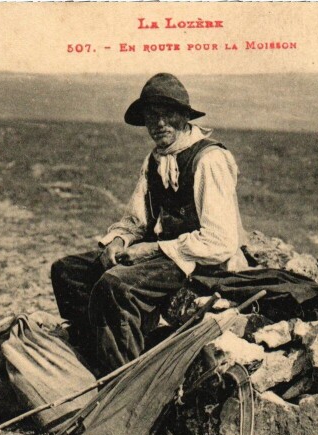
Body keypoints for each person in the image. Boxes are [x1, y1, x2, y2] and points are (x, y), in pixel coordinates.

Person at [51, 73, 248, 376]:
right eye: (151, 117)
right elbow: (136, 220)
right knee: (68, 272)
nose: (159, 124)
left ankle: (125, 381)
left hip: (200, 261)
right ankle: (96, 357)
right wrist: (118, 242)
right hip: (166, 256)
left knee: (116, 286)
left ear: (184, 116)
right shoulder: (155, 160)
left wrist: (150, 250)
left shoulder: (209, 159)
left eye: (167, 114)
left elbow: (220, 241)